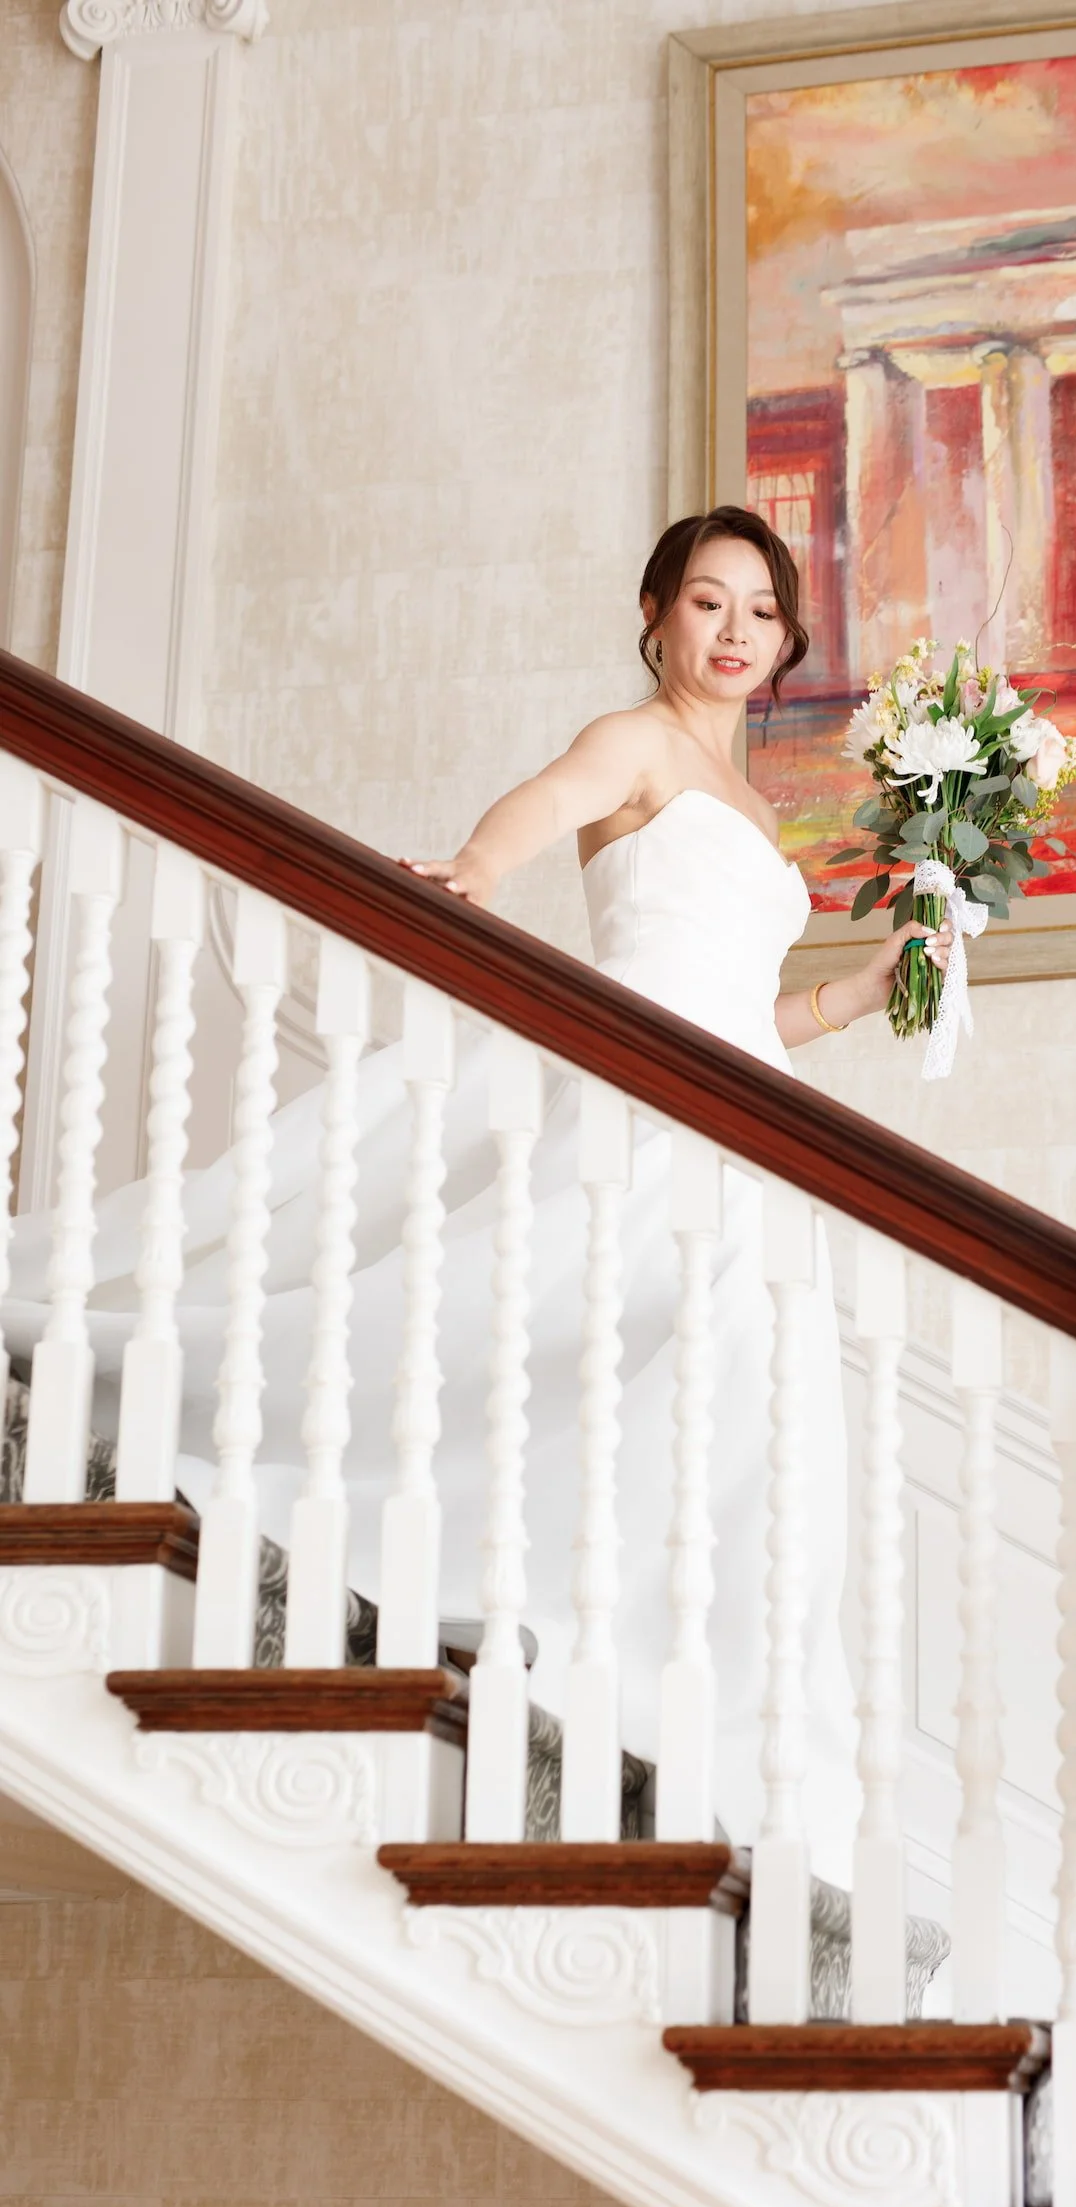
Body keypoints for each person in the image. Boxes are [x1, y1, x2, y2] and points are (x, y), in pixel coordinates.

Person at [7, 507, 943, 1874]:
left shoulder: (755, 807)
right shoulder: (635, 743)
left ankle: (649, 1686)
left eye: (758, 610)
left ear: (788, 641)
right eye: (704, 601)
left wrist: (863, 992)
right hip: (643, 1096)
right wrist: (479, 869)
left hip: (744, 1122)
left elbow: (748, 1013)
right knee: (511, 1330)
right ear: (653, 617)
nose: (733, 631)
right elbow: (551, 797)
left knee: (736, 1396)